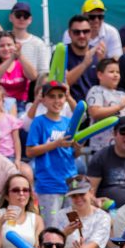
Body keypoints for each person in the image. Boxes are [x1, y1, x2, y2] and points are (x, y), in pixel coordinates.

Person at [25, 81, 81, 229]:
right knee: (52, 229)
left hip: (71, 184)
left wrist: (77, 147)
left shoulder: (69, 122)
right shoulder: (39, 122)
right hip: (49, 185)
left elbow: (74, 154)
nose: (57, 100)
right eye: (52, 96)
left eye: (60, 96)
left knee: (73, 227)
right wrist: (56, 143)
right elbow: (29, 151)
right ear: (43, 99)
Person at [86, 58, 125, 154]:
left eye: (118, 72)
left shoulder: (123, 94)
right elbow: (94, 112)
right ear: (100, 75)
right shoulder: (96, 90)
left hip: (123, 149)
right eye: (111, 72)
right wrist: (119, 107)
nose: (116, 75)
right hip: (101, 149)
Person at [86, 115, 125, 206]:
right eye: (123, 131)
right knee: (73, 213)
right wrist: (96, 202)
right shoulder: (100, 157)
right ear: (114, 134)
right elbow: (89, 193)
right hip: (109, 212)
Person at [56, 176, 111, 248]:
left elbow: (93, 247)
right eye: (74, 196)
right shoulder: (61, 215)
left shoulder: (102, 217)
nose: (78, 199)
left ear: (91, 192)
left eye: (82, 194)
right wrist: (65, 233)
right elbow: (53, 242)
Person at [0, 30, 37, 112]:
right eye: (2, 46)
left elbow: (33, 76)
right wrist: (11, 58)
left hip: (21, 104)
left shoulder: (21, 63)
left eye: (9, 45)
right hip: (0, 105)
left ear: (15, 46)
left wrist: (20, 56)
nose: (6, 48)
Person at [64, 14, 105, 103]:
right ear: (69, 34)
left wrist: (102, 63)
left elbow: (108, 86)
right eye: (76, 32)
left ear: (90, 33)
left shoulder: (97, 54)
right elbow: (60, 84)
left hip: (95, 107)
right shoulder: (62, 53)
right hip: (69, 108)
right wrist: (84, 64)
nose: (81, 35)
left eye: (85, 31)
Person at [7, 2, 50, 76]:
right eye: (18, 15)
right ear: (11, 17)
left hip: (32, 85)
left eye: (25, 16)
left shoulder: (39, 44)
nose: (21, 18)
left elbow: (44, 73)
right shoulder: (2, 41)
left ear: (30, 19)